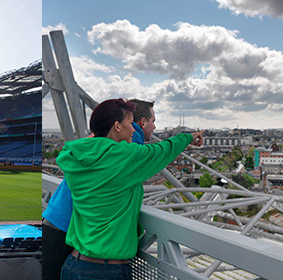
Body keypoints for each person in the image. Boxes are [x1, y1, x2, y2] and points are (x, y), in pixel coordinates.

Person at [58, 98, 202, 280]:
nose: (134, 129)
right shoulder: (125, 157)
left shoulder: (74, 155)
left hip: (73, 264)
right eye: (130, 123)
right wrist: (188, 137)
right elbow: (162, 150)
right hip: (105, 271)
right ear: (117, 126)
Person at [42, 99, 156, 280]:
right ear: (141, 122)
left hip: (55, 220)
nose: (155, 128)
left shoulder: (98, 139)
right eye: (153, 122)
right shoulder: (133, 139)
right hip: (71, 229)